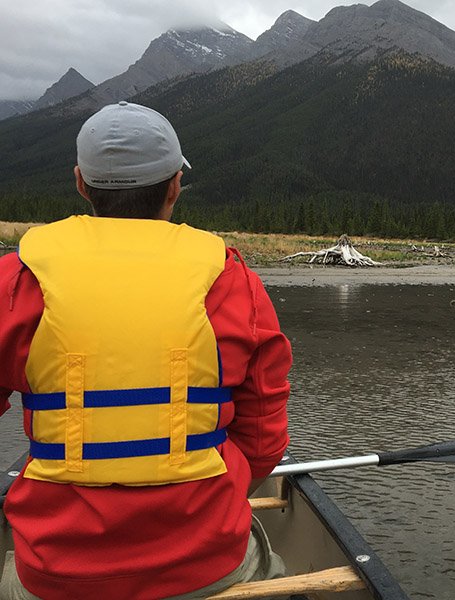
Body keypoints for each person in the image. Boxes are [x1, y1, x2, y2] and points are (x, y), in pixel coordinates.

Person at [0, 101, 292, 599]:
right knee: (275, 566)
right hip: (205, 562)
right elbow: (264, 443)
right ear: (175, 185)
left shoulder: (18, 278)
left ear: (80, 183)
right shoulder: (232, 279)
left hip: (56, 572)